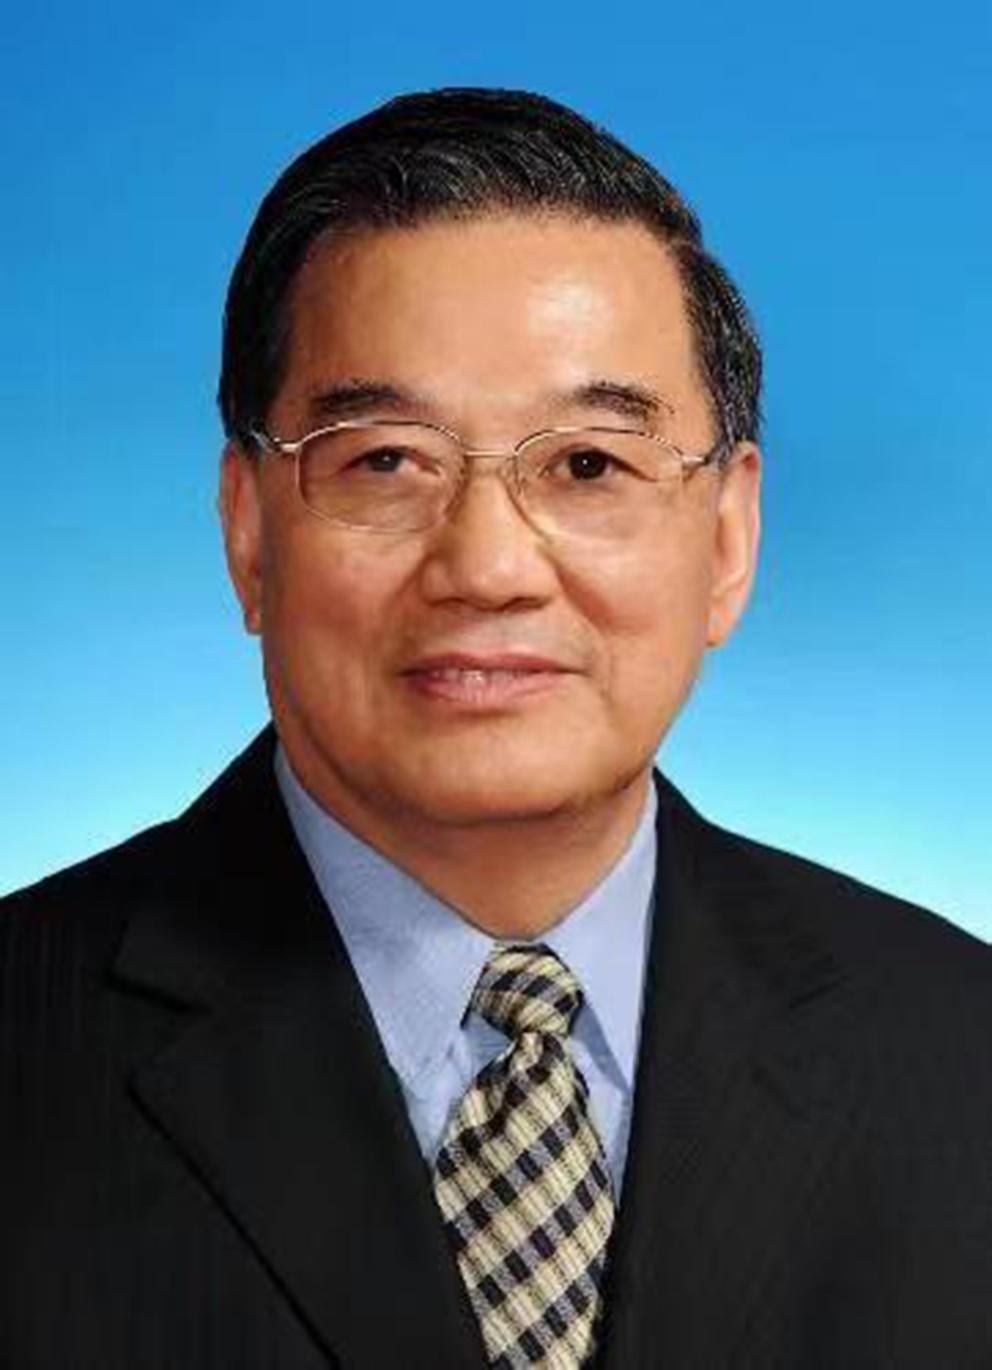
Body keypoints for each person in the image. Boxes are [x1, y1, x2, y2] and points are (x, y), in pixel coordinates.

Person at [2, 87, 991, 1370]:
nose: (485, 566)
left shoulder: (958, 1049)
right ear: (247, 529)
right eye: (384, 460)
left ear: (728, 538)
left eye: (586, 464)